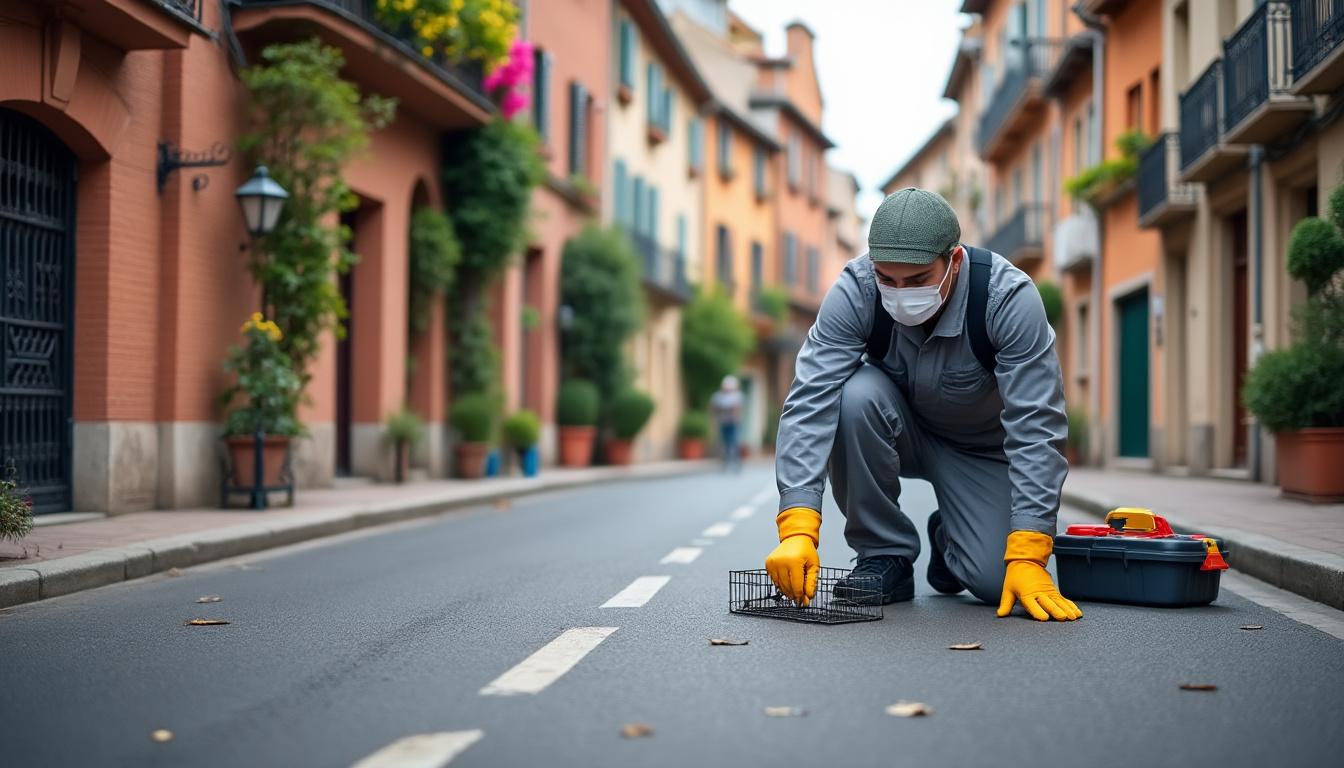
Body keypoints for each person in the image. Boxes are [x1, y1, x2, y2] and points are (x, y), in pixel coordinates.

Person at [765, 188, 1080, 622]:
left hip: (982, 451)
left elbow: (1037, 425)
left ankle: (948, 535)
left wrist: (1028, 550)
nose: (899, 293)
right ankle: (885, 555)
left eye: (916, 280)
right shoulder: (856, 289)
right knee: (853, 395)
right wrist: (797, 524)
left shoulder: (1006, 298)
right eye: (886, 279)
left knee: (995, 583)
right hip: (899, 432)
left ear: (955, 260)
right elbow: (810, 398)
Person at [710, 375, 743, 471]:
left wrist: (735, 415)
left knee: (734, 442)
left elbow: (738, 409)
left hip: (733, 423)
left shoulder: (737, 396)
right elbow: (714, 408)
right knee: (724, 443)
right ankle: (725, 462)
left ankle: (736, 462)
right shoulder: (718, 396)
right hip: (723, 422)